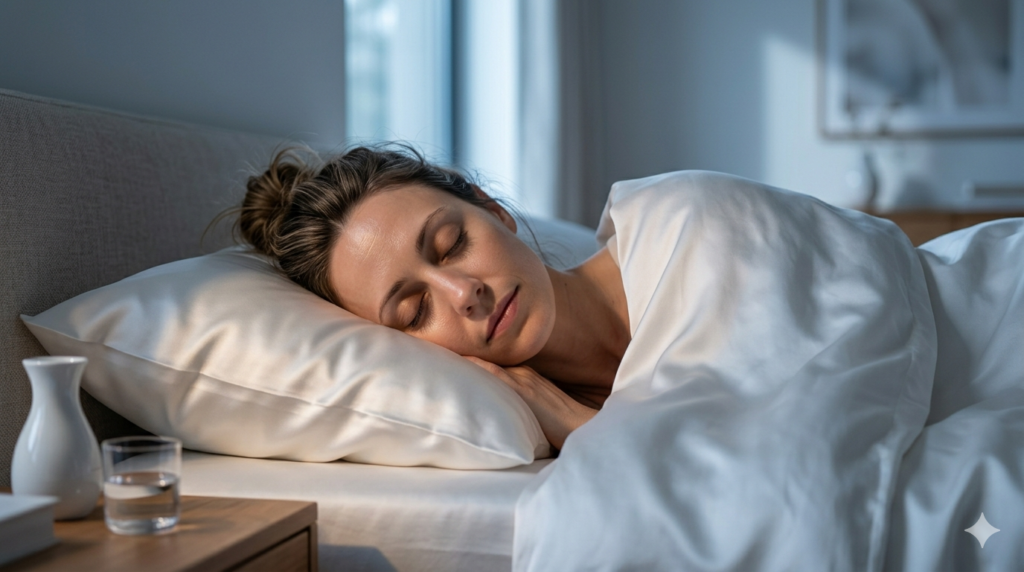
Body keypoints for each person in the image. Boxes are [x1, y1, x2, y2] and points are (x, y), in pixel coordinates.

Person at [237, 145, 630, 449]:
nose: (463, 293)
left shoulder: (681, 231)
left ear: (492, 209)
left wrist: (581, 428)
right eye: (416, 311)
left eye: (452, 243)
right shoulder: (541, 423)